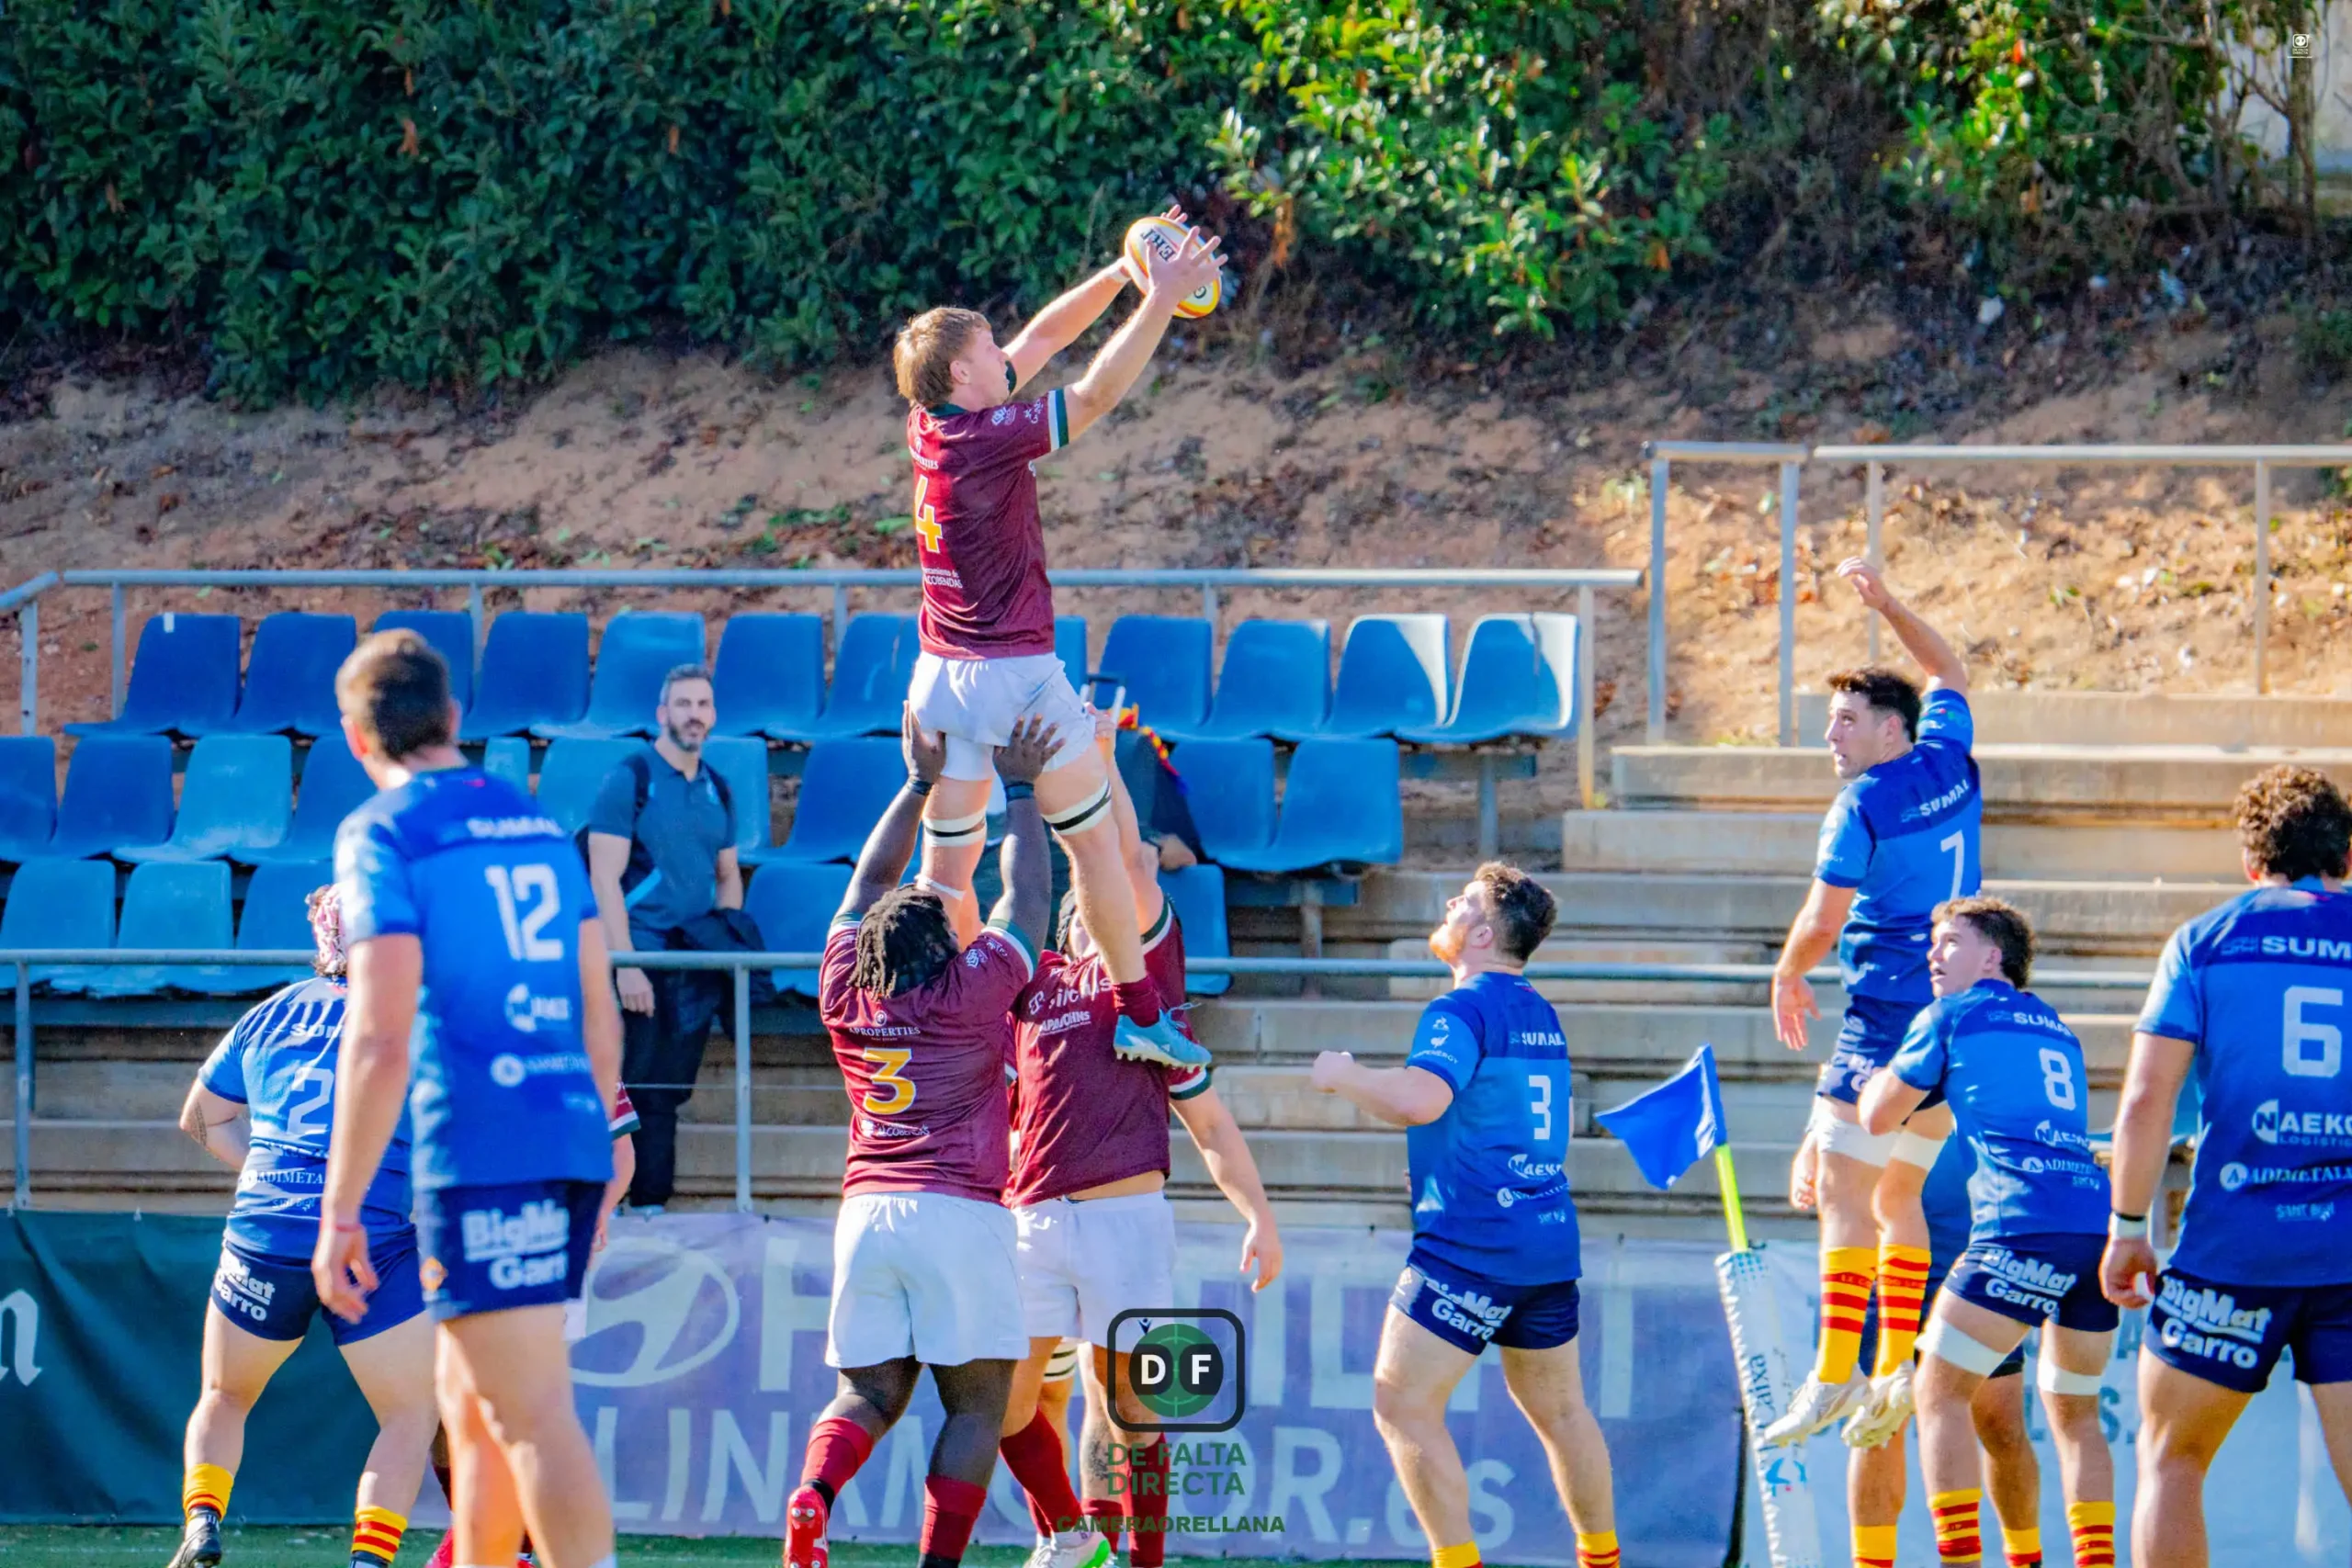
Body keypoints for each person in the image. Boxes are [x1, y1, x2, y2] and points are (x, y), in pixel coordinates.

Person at [311, 629, 623, 1568]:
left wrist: (339, 1213)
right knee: (473, 1417)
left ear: (354, 739)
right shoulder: (531, 821)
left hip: (485, 1152)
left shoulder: (383, 831)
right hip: (562, 1133)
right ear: (453, 718)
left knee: (529, 1418)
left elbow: (377, 1034)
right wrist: (594, 1137)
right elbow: (599, 1005)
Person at [889, 209, 1220, 1074]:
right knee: (1098, 843)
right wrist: (1165, 301)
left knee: (946, 871)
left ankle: (955, 1018)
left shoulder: (930, 424)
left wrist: (1123, 274)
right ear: (964, 370)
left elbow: (1039, 339)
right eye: (989, 350)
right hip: (1016, 677)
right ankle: (1140, 1010)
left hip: (940, 677)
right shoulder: (987, 442)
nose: (1007, 355)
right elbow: (1095, 396)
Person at [998, 707, 1284, 1568]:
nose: (1124, 893)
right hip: (1033, 1218)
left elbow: (1210, 1124)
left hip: (1126, 1220)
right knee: (1004, 1404)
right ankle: (1072, 1535)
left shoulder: (1148, 992)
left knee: (1125, 1404)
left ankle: (1140, 1559)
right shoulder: (1033, 981)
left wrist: (1100, 758)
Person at [784, 708, 1057, 1568]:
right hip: (958, 1209)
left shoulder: (843, 989)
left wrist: (915, 780)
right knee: (977, 1404)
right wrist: (1019, 787)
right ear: (943, 946)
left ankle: (812, 1497)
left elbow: (865, 883)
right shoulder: (969, 991)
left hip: (867, 1210)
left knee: (867, 1389)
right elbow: (1030, 902)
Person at [1308, 864, 1620, 1568]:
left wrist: (1344, 1075)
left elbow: (1423, 1098)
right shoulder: (1538, 1008)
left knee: (1401, 1403)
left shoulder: (1461, 1008)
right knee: (1563, 1414)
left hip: (1472, 1244)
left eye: (1465, 901)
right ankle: (1602, 1559)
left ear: (1480, 933)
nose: (1450, 904)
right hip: (1545, 1239)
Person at [2103, 763, 2352, 1568]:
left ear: (2252, 863)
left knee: (2173, 1462)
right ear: (2345, 857)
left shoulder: (2206, 941)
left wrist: (2128, 1228)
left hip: (2233, 1253)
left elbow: (2144, 1102)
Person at [1765, 558, 1978, 1446]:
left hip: (1887, 1008)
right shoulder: (1949, 755)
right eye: (1828, 722)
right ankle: (1893, 1366)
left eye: (1846, 721)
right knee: (1901, 1198)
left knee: (1844, 1194)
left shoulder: (1864, 799)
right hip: (1953, 1011)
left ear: (1891, 730)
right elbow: (1951, 673)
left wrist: (1784, 971)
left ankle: (1833, 1373)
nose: (1832, 736)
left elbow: (1822, 920)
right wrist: (1891, 603)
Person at [165, 885, 435, 1568]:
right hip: (366, 1231)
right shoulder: (416, 1015)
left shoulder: (270, 1012)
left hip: (263, 1226)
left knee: (224, 1395)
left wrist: (267, 1171)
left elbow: (201, 1118)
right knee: (410, 1414)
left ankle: (202, 1521)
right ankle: (369, 1561)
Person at [1860, 898, 2114, 1566]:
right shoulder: (2058, 1027)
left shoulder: (1951, 1014)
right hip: (2095, 1224)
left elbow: (1877, 1116)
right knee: (2074, 1416)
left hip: (2018, 1227)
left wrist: (1866, 1082)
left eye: (1948, 943)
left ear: (1991, 955)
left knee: (1937, 1393)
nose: (1932, 956)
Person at [585, 660, 752, 1212]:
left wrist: (721, 942)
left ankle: (652, 1201)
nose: (694, 714)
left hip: (691, 963)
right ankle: (613, 1204)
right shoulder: (630, 778)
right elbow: (602, 876)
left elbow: (727, 875)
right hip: (641, 955)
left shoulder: (718, 787)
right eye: (683, 704)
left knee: (669, 1087)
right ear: (662, 714)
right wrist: (625, 963)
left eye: (703, 704)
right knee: (630, 1085)